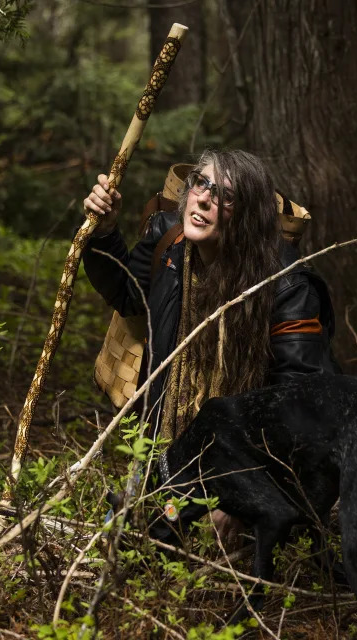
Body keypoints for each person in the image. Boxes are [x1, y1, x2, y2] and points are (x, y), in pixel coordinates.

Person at [83, 149, 339, 541]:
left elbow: (302, 398)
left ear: (247, 216)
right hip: (168, 451)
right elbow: (128, 296)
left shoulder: (287, 286)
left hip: (251, 461)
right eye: (200, 182)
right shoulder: (168, 241)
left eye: (225, 195)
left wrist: (254, 485)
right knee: (131, 540)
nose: (203, 197)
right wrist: (104, 233)